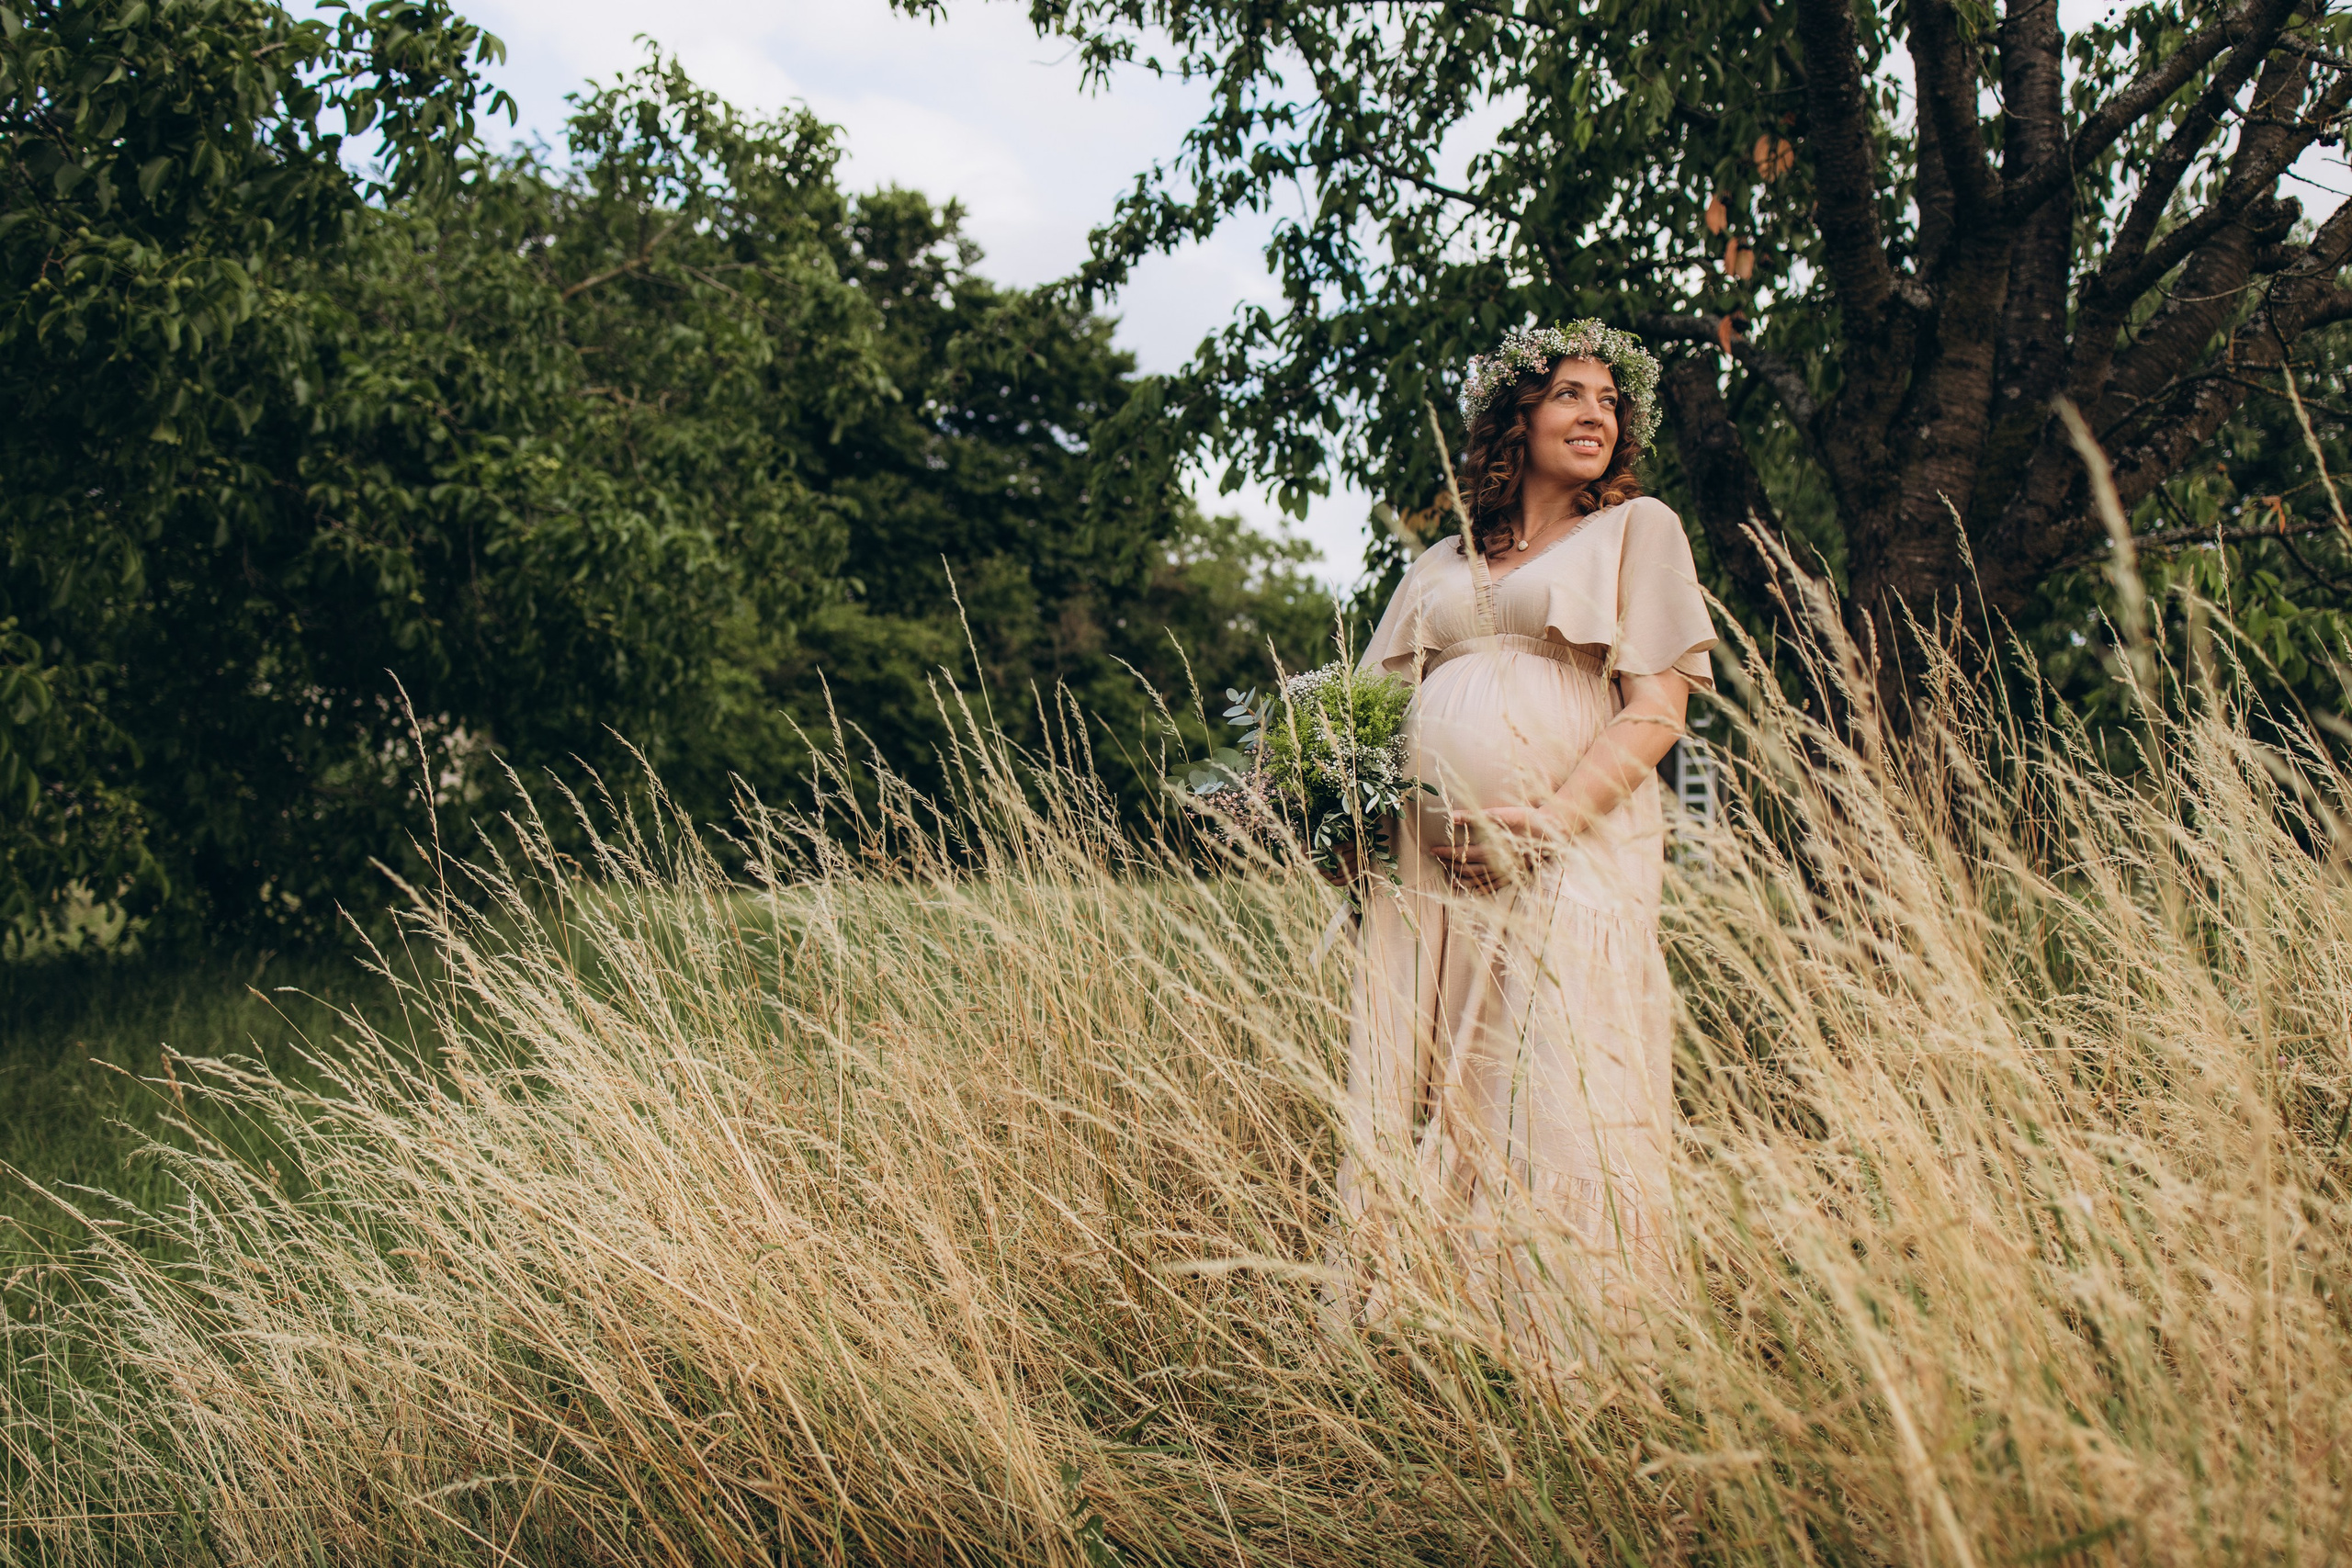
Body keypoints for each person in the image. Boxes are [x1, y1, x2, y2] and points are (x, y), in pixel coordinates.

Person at [1337, 321, 1717, 1359]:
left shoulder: (1638, 530)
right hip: (1426, 871)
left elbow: (1655, 709)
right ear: (1515, 417)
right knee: (1418, 1076)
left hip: (1570, 840)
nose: (1595, 413)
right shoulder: (1443, 561)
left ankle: (1564, 1338)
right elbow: (1363, 715)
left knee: (1549, 1065)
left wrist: (1543, 824)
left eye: (1608, 400)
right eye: (1569, 395)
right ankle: (1420, 1331)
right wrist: (1329, 807)